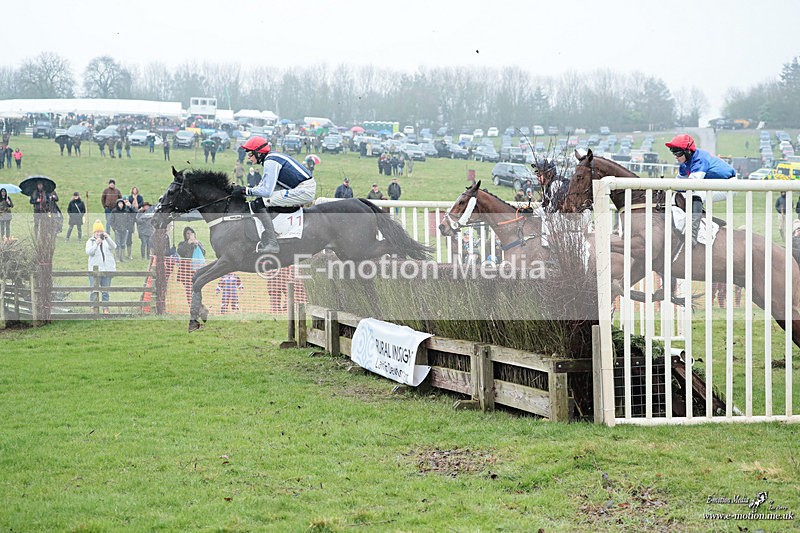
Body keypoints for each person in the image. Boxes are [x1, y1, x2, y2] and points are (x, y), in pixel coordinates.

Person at [232, 136, 317, 253]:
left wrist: (245, 191)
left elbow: (267, 191)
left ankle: (272, 243)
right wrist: (244, 191)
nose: (248, 157)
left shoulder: (270, 161)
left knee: (260, 202)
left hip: (304, 189)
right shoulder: (270, 159)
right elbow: (262, 187)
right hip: (301, 187)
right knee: (260, 201)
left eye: (250, 154)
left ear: (259, 153)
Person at [665, 133, 735, 246]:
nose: (675, 156)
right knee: (680, 195)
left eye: (677, 152)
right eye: (673, 152)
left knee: (695, 194)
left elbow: (693, 183)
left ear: (688, 151)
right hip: (713, 185)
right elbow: (677, 184)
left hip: (729, 186)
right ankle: (704, 220)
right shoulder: (684, 164)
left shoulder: (700, 159)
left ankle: (692, 235)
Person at [85, 220, 117, 313]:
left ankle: (105, 308)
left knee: (105, 290)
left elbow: (114, 246)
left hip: (107, 269)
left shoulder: (106, 241)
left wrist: (108, 237)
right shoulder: (90, 241)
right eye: (97, 232)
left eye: (100, 231)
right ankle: (94, 308)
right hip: (94, 270)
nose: (99, 233)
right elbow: (89, 252)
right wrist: (96, 244)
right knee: (94, 290)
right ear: (94, 233)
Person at [177, 227, 206, 305]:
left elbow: (203, 253)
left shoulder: (198, 242)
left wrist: (197, 245)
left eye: (191, 233)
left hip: (196, 270)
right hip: (186, 270)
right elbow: (180, 252)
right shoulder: (182, 244)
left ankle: (198, 304)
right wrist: (188, 244)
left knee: (197, 287)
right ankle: (191, 304)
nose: (189, 235)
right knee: (188, 288)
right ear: (185, 235)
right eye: (187, 233)